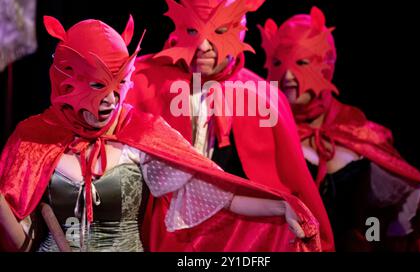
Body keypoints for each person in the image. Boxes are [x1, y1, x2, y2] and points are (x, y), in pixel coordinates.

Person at [0, 15, 323, 252]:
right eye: (98, 86)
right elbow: (15, 226)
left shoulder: (140, 133)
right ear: (66, 82)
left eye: (119, 85)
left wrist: (279, 207)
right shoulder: (33, 139)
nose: (110, 101)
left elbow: (221, 196)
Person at [126, 0, 334, 251]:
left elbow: (291, 184)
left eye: (219, 32)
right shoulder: (141, 81)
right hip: (159, 230)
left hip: (237, 235)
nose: (203, 45)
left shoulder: (263, 96)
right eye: (192, 31)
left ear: (240, 31)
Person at [258, 6, 420, 251]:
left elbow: (394, 205)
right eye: (278, 63)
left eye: (302, 63)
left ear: (326, 66)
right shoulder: (261, 129)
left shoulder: (355, 130)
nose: (288, 75)